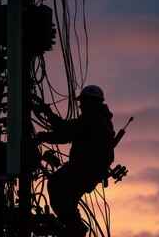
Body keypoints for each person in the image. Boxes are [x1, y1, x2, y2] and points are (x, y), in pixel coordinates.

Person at [36, 85, 115, 237]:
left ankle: (75, 226)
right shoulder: (98, 119)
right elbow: (67, 129)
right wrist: (48, 114)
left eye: (83, 102)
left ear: (93, 102)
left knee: (57, 182)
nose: (80, 105)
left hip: (88, 164)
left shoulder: (93, 118)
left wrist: (44, 136)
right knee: (69, 197)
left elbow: (66, 132)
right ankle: (69, 226)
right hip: (92, 167)